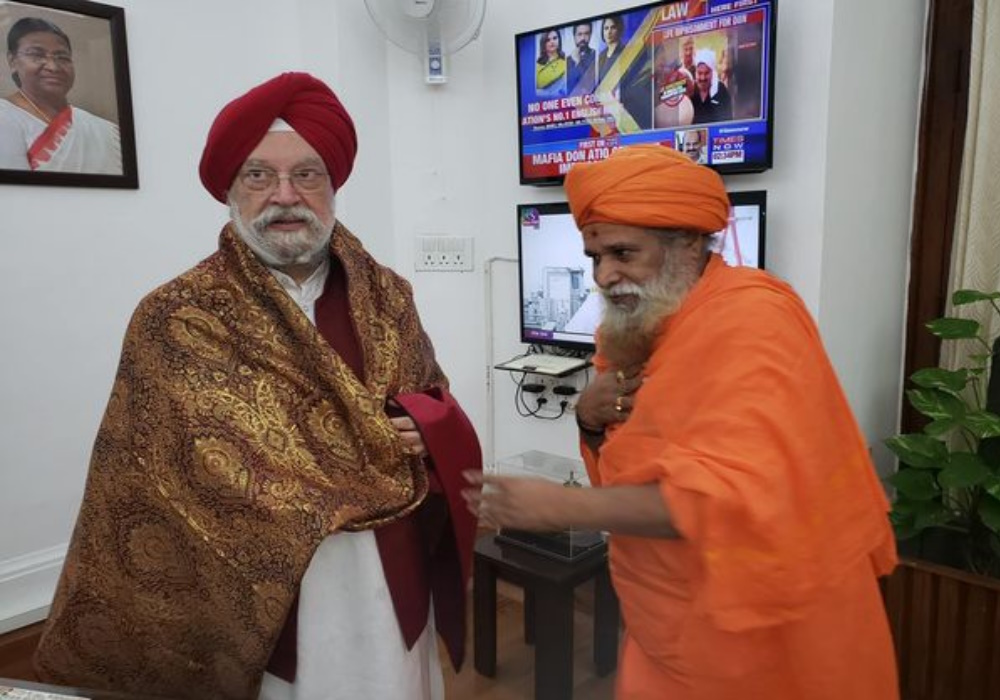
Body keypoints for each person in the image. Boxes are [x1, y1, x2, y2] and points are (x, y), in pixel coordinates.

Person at [33, 72, 482, 700]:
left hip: (386, 570)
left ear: (333, 186)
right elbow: (147, 474)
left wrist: (425, 426)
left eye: (307, 174)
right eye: (258, 176)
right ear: (229, 191)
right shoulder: (175, 316)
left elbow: (431, 396)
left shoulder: (389, 296)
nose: (285, 196)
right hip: (257, 594)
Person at [464, 145, 900, 699]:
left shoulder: (755, 320)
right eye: (594, 256)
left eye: (623, 252)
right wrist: (589, 421)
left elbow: (728, 500)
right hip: (666, 623)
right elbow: (629, 464)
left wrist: (561, 506)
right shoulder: (629, 330)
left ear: (689, 243)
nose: (604, 275)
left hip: (764, 633)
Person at [0, 17, 121, 174]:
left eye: (62, 57)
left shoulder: (106, 131)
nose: (53, 66)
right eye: (37, 55)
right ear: (12, 61)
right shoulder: (4, 116)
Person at [691, 48, 733, 124]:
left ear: (712, 73)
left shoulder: (721, 91)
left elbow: (728, 121)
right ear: (695, 72)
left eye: (706, 73)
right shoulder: (690, 90)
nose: (703, 78)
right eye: (699, 73)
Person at [566, 22, 597, 94]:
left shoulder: (597, 56)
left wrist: (578, 62)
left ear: (590, 35)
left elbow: (590, 85)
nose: (583, 38)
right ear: (574, 36)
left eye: (586, 34)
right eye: (579, 34)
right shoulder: (567, 60)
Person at [535, 28, 566, 97]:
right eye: (548, 40)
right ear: (543, 43)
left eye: (555, 38)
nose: (552, 42)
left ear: (559, 40)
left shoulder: (565, 61)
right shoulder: (537, 64)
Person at [597, 15, 625, 86]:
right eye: (606, 28)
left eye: (613, 27)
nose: (609, 32)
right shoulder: (601, 56)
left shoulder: (625, 51)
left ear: (619, 29)